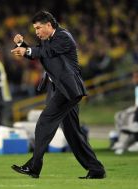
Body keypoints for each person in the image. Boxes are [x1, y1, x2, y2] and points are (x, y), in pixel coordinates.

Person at [10, 11, 105, 179]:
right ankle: (96, 169)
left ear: (49, 25)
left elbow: (46, 53)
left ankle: (34, 166)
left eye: (39, 28)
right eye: (35, 29)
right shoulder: (47, 39)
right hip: (60, 89)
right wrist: (23, 45)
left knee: (44, 123)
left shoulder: (63, 37)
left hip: (68, 91)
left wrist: (27, 51)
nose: (37, 32)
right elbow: (39, 52)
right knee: (73, 133)